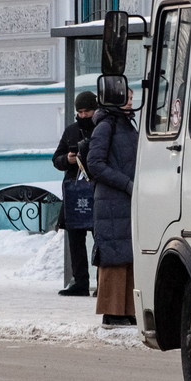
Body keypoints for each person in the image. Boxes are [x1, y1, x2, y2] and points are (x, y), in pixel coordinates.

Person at [86, 88, 138, 328]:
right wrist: (127, 184)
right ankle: (111, 311)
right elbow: (95, 164)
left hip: (126, 199)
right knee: (114, 254)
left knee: (128, 253)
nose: (131, 101)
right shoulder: (106, 126)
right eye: (127, 97)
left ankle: (127, 310)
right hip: (112, 200)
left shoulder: (127, 124)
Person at [51, 91, 97, 297]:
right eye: (80, 112)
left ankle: (103, 283)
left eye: (87, 111)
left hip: (97, 191)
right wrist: (67, 160)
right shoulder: (71, 131)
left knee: (101, 239)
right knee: (75, 240)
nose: (83, 115)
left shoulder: (102, 129)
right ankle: (80, 282)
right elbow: (56, 159)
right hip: (75, 192)